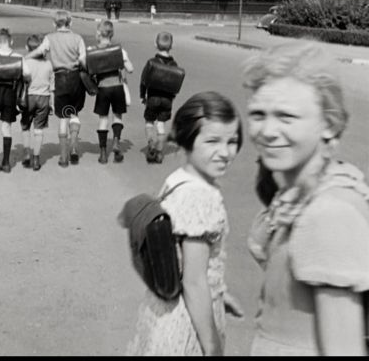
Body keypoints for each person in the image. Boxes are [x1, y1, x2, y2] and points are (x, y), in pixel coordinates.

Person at [243, 41, 369, 356]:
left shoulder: (329, 212)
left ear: (329, 124)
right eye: (258, 114)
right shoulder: (298, 194)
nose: (268, 131)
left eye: (287, 116)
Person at [126, 91, 245, 356]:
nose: (225, 152)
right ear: (186, 141)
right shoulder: (202, 196)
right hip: (186, 325)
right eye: (213, 141)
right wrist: (213, 348)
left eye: (232, 141)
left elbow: (179, 258)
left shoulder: (178, 180)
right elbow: (194, 282)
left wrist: (219, 294)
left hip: (161, 314)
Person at [24, 10, 87, 167]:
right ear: (70, 23)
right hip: (75, 80)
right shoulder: (78, 38)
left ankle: (63, 157)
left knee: (63, 117)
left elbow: (39, 51)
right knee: (73, 113)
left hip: (59, 80)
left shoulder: (49, 38)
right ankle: (73, 147)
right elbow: (82, 59)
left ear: (54, 24)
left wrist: (25, 58)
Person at [0, 28, 30, 173]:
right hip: (10, 95)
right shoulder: (19, 58)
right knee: (6, 127)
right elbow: (27, 74)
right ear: (11, 41)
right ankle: (7, 162)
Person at [86, 20, 134, 164]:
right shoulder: (119, 51)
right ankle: (116, 142)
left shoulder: (92, 51)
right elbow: (130, 69)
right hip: (117, 87)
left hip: (103, 88)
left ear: (99, 34)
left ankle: (102, 153)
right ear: (111, 34)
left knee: (103, 119)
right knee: (117, 116)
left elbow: (85, 65)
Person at [140, 31, 185, 164]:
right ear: (172, 46)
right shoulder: (174, 65)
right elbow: (176, 85)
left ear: (155, 44)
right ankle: (159, 152)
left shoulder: (151, 62)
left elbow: (143, 81)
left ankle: (151, 144)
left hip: (153, 98)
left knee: (149, 122)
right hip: (167, 100)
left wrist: (143, 95)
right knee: (161, 125)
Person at [19, 34, 55, 171]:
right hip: (44, 98)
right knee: (39, 129)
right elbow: (52, 87)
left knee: (25, 126)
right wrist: (52, 104)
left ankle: (27, 153)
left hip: (28, 98)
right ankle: (36, 159)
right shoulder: (48, 64)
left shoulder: (26, 63)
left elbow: (21, 82)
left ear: (27, 48)